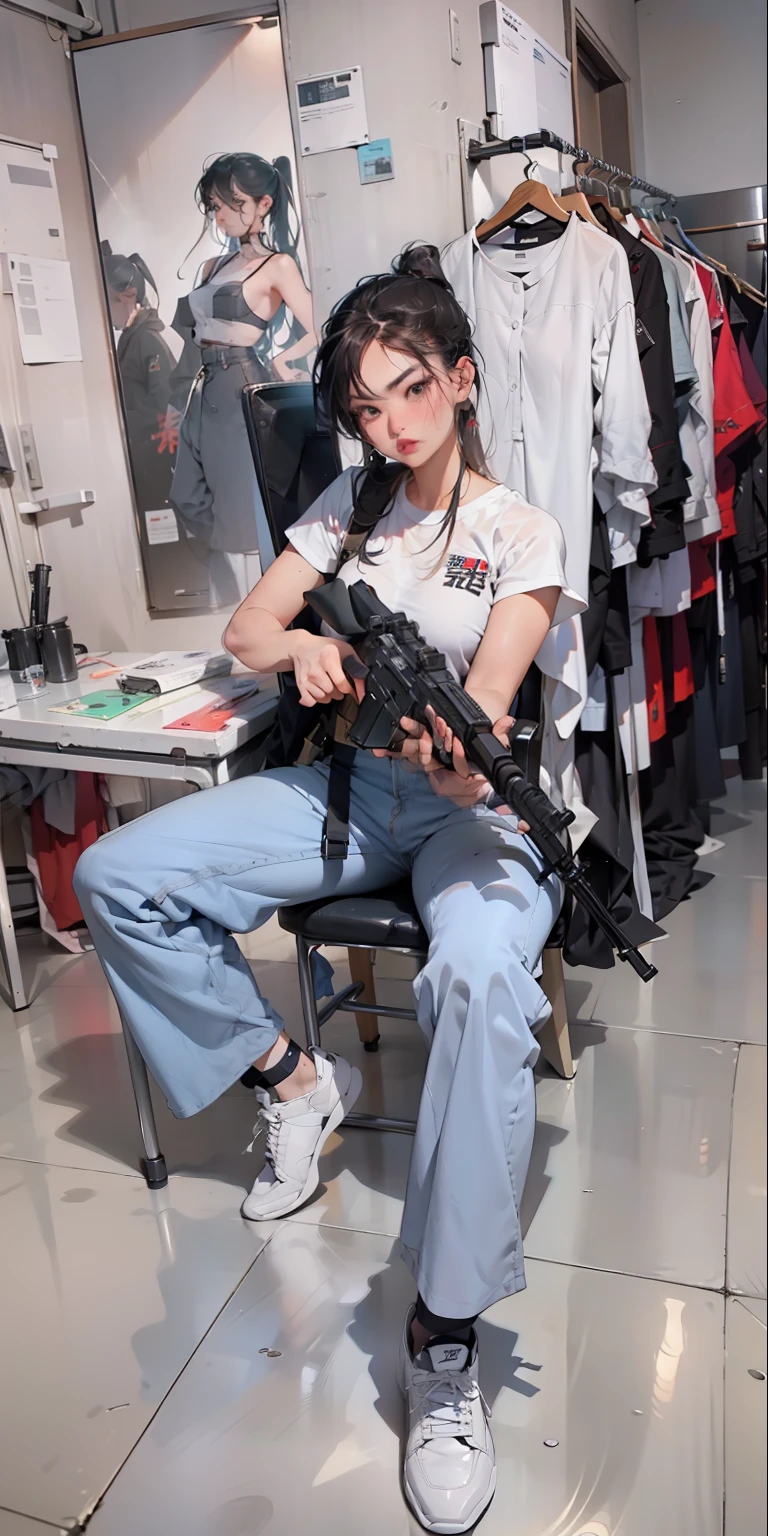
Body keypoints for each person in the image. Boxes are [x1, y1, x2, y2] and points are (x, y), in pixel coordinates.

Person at [74, 246, 583, 1535]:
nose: (392, 425)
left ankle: (446, 1330)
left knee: (473, 969)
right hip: (352, 800)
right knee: (118, 872)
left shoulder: (520, 531)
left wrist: (466, 768)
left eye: (413, 392)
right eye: (365, 406)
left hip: (464, 807)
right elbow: (248, 631)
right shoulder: (348, 509)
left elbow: (497, 704)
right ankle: (297, 1085)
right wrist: (303, 645)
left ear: (464, 383)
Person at [169, 152, 318, 606]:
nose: (221, 214)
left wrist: (287, 360)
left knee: (242, 509)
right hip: (204, 386)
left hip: (241, 386)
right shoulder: (212, 267)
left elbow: (320, 323)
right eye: (216, 205)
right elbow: (191, 334)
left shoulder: (278, 266)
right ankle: (232, 604)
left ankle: (256, 608)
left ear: (263, 204)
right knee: (186, 494)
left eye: (232, 203)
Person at [102, 244, 176, 513]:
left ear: (128, 295)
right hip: (145, 461)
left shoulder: (146, 340)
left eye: (106, 301)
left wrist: (119, 423)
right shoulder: (131, 339)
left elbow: (163, 404)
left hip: (157, 466)